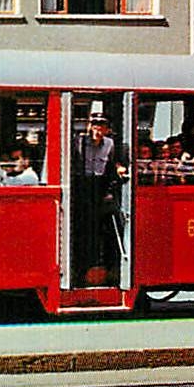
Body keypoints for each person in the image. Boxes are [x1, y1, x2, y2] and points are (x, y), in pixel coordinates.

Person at [71, 108, 128, 280]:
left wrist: (119, 169)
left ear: (107, 129)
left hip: (100, 186)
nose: (97, 129)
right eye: (95, 125)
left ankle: (105, 266)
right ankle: (81, 267)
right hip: (82, 186)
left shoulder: (110, 144)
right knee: (82, 229)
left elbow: (111, 166)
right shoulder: (78, 142)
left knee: (104, 227)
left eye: (102, 126)